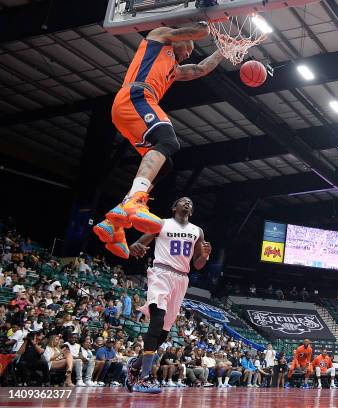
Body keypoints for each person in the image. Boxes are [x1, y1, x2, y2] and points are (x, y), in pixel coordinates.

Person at [92, 22, 225, 259]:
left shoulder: (173, 68)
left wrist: (223, 49)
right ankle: (134, 201)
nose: (187, 55)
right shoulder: (159, 37)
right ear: (180, 39)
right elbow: (197, 31)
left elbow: (200, 69)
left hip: (134, 106)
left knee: (165, 165)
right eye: (187, 49)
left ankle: (114, 222)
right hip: (136, 95)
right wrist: (212, 20)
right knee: (169, 140)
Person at [124, 197, 211, 393]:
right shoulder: (161, 223)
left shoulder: (197, 231)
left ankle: (136, 364)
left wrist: (204, 256)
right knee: (157, 320)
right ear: (174, 207)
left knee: (163, 333)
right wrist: (135, 247)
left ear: (192, 210)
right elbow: (136, 245)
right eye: (183, 201)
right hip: (161, 272)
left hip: (181, 278)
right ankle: (144, 378)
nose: (187, 203)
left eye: (191, 202)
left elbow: (197, 265)